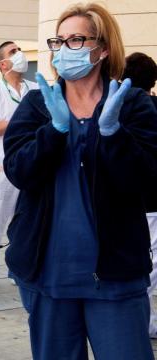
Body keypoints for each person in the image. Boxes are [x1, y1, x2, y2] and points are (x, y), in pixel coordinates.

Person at [4, 3, 157, 359]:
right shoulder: (38, 103)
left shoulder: (131, 104)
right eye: (59, 40)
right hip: (48, 273)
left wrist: (114, 134)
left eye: (76, 39)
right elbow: (19, 171)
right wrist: (53, 133)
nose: (63, 48)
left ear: (102, 49)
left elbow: (150, 185)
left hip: (114, 274)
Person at [0, 41, 38, 291]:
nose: (20, 54)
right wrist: (20, 123)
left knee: (26, 220)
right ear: (3, 64)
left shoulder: (34, 89)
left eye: (18, 50)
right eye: (13, 52)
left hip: (31, 164)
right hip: (0, 166)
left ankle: (19, 268)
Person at [122, 51, 157, 338]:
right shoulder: (149, 105)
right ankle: (141, 321)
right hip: (152, 201)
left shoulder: (112, 103)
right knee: (151, 264)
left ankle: (146, 320)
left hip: (127, 201)